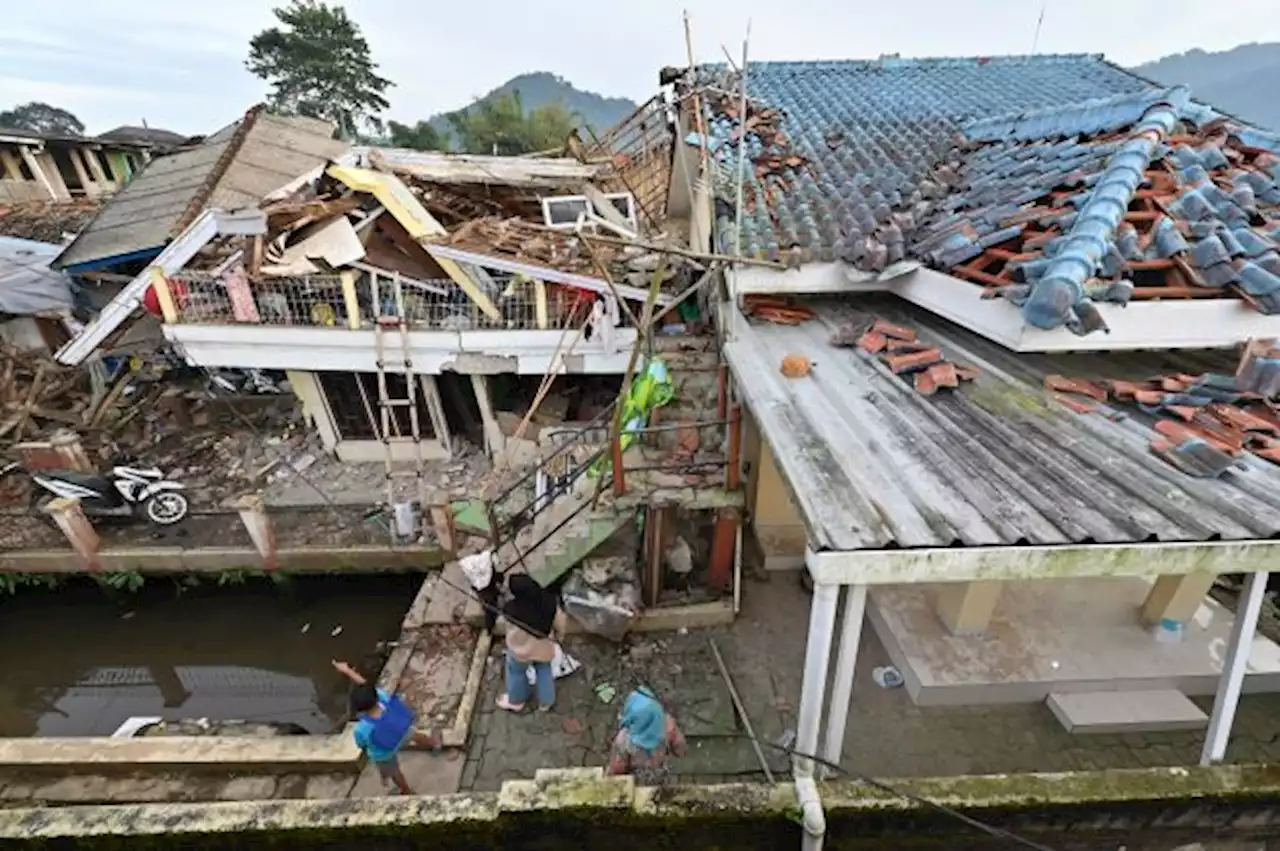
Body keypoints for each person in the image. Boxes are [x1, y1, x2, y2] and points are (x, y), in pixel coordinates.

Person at [331, 659, 440, 795]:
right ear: (375, 696)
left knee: (394, 772)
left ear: (359, 710)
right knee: (416, 735)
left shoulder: (363, 729)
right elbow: (365, 685)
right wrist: (348, 671)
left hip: (384, 752)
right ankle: (434, 744)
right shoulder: (383, 698)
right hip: (402, 732)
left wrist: (346, 672)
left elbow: (361, 744)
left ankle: (406, 791)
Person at [496, 574, 567, 713]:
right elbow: (561, 623)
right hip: (543, 649)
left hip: (519, 651)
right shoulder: (550, 602)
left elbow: (508, 629)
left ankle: (517, 701)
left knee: (515, 673)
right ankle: (546, 702)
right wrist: (560, 637)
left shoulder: (510, 609)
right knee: (544, 671)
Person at [605, 685, 687, 785]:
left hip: (636, 789)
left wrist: (607, 776)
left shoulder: (624, 737)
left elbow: (616, 769)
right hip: (663, 786)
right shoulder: (667, 724)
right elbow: (681, 750)